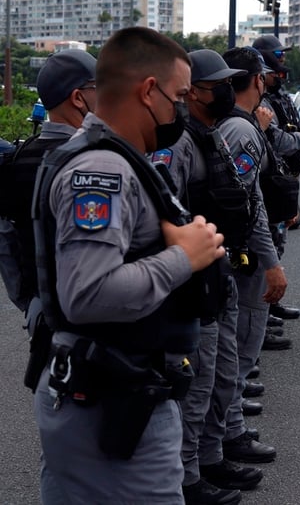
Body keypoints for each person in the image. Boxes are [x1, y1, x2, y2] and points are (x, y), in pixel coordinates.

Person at [32, 27, 225, 503]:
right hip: (113, 397)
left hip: (110, 390)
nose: (183, 107)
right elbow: (88, 294)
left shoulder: (115, 160)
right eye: (180, 95)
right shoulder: (102, 172)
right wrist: (185, 257)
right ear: (148, 91)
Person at [153, 49, 264, 504]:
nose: (225, 90)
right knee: (196, 384)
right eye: (217, 83)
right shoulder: (177, 144)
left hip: (218, 272)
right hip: (192, 283)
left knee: (219, 375)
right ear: (193, 92)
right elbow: (164, 219)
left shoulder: (209, 134)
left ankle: (209, 457)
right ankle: (186, 477)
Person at [219, 46, 290, 465]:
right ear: (258, 80)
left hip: (236, 249)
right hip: (241, 253)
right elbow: (249, 205)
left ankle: (228, 427)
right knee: (241, 339)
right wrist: (269, 262)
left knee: (234, 343)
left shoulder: (243, 126)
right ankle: (229, 433)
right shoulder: (243, 131)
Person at [1, 49, 97, 315]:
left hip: (42, 307)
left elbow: (6, 239)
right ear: (78, 98)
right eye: (98, 87)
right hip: (93, 312)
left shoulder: (20, 157)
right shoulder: (94, 158)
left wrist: (29, 303)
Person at [252, 35, 300, 322]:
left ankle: (267, 308)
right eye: (278, 55)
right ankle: (260, 312)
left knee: (277, 245)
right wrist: (299, 140)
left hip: (283, 179)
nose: (283, 59)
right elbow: (275, 139)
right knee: (266, 250)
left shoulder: (279, 95)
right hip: (268, 181)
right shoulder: (260, 101)